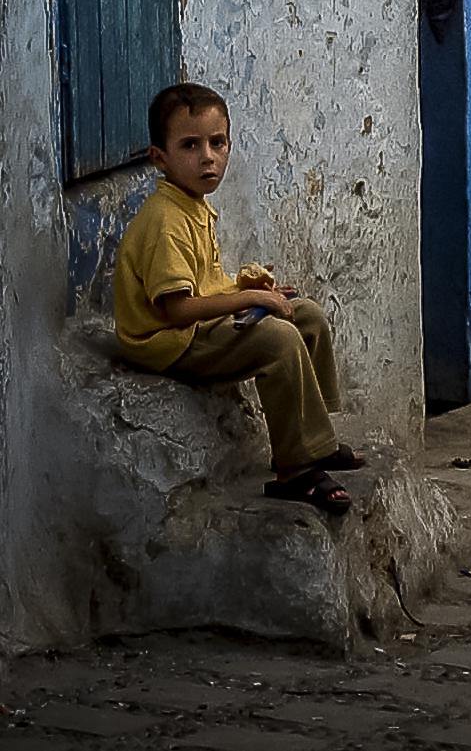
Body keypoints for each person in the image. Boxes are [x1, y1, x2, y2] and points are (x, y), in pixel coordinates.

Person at [113, 82, 363, 514]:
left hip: (193, 327)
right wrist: (245, 298)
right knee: (278, 340)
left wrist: (253, 291)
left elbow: (203, 285)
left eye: (217, 142)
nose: (207, 156)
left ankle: (315, 441)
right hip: (169, 342)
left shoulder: (193, 204)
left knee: (306, 316)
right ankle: (296, 471)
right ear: (160, 157)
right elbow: (178, 310)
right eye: (190, 145)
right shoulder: (165, 221)